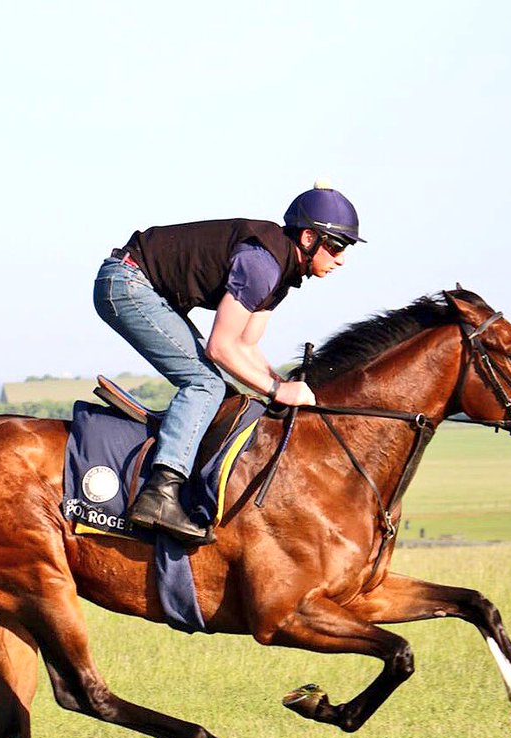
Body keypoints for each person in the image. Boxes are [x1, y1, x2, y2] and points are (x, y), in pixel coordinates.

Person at [93, 180, 364, 543]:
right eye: (335, 246)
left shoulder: (282, 274)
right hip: (126, 282)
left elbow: (247, 347)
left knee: (221, 388)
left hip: (143, 286)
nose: (341, 259)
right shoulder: (261, 265)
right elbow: (220, 348)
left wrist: (281, 386)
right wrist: (277, 390)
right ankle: (159, 494)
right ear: (307, 239)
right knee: (205, 383)